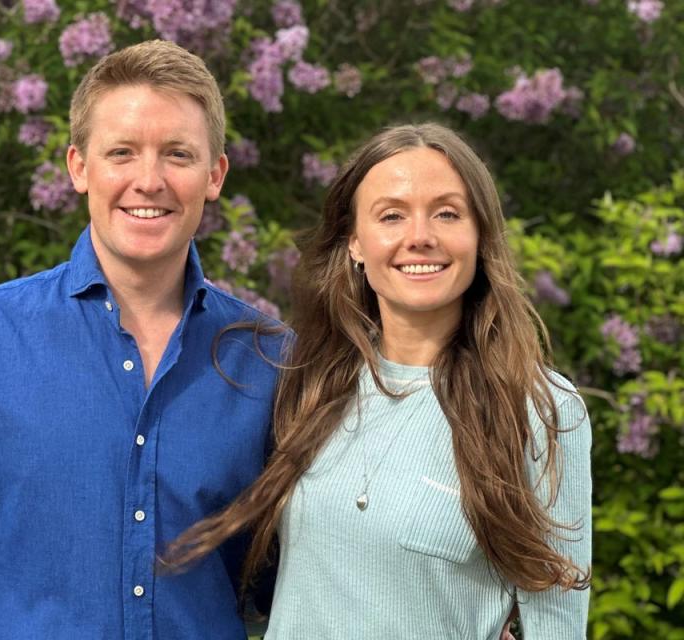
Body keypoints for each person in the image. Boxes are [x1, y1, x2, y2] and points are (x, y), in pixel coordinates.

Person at [0, 40, 284, 639]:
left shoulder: (270, 360)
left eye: (178, 154)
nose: (149, 180)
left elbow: (302, 582)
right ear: (79, 167)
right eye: (122, 153)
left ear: (214, 175)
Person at [166, 123, 592, 639]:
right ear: (355, 244)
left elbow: (556, 623)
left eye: (447, 213)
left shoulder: (541, 409)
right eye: (392, 215)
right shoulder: (306, 384)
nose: (420, 237)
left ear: (480, 236)